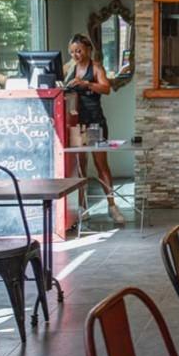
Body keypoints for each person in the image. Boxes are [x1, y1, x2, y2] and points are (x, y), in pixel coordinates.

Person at [65, 34, 124, 224]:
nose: (76, 54)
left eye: (79, 50)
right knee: (80, 166)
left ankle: (112, 206)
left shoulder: (96, 67)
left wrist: (87, 84)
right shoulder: (69, 68)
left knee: (100, 165)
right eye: (73, 51)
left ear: (88, 49)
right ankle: (82, 207)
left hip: (94, 121)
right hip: (77, 122)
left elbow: (106, 88)